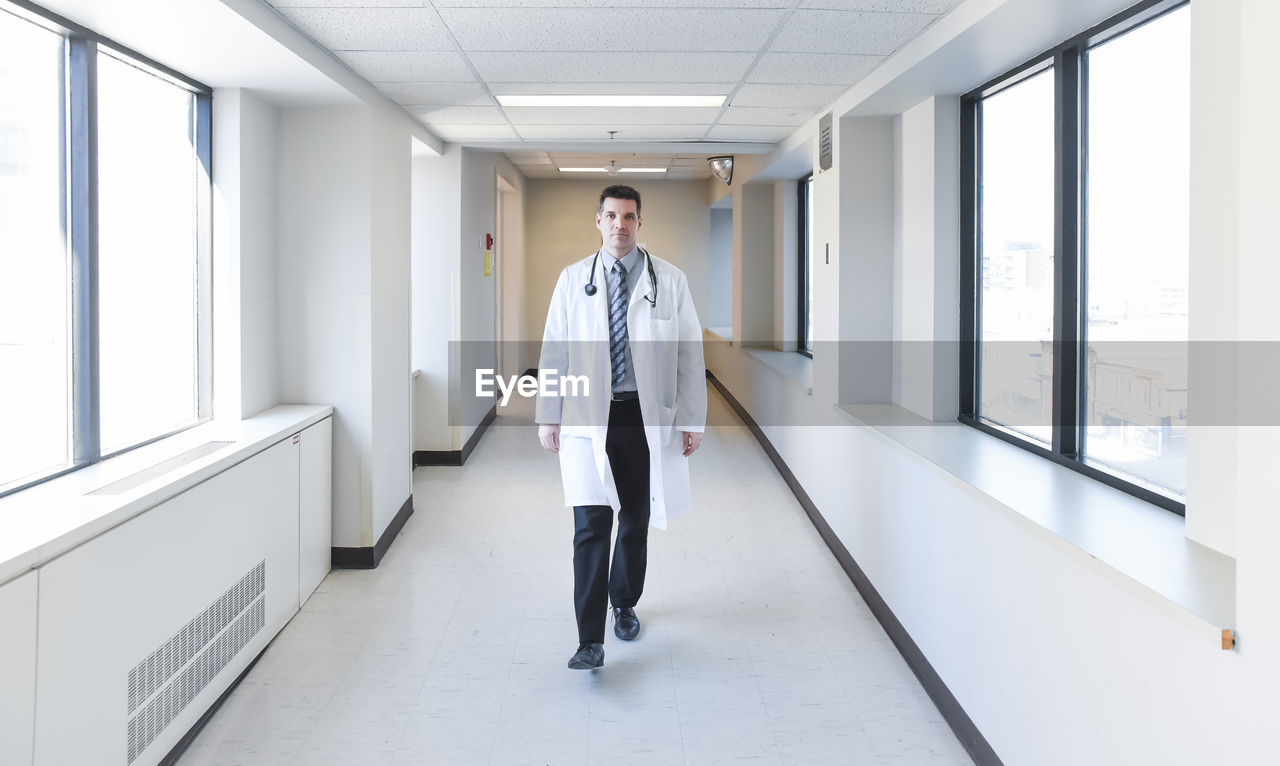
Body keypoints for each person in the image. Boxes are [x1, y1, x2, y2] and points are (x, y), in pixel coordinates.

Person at [535, 184, 707, 670]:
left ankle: (624, 601)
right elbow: (555, 350)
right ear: (598, 220)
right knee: (590, 524)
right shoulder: (573, 280)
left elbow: (691, 354)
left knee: (635, 516)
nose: (620, 225)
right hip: (588, 417)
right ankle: (589, 639)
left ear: (639, 222)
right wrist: (549, 413)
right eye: (611, 216)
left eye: (629, 216)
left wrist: (692, 419)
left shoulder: (668, 281)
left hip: (641, 417)